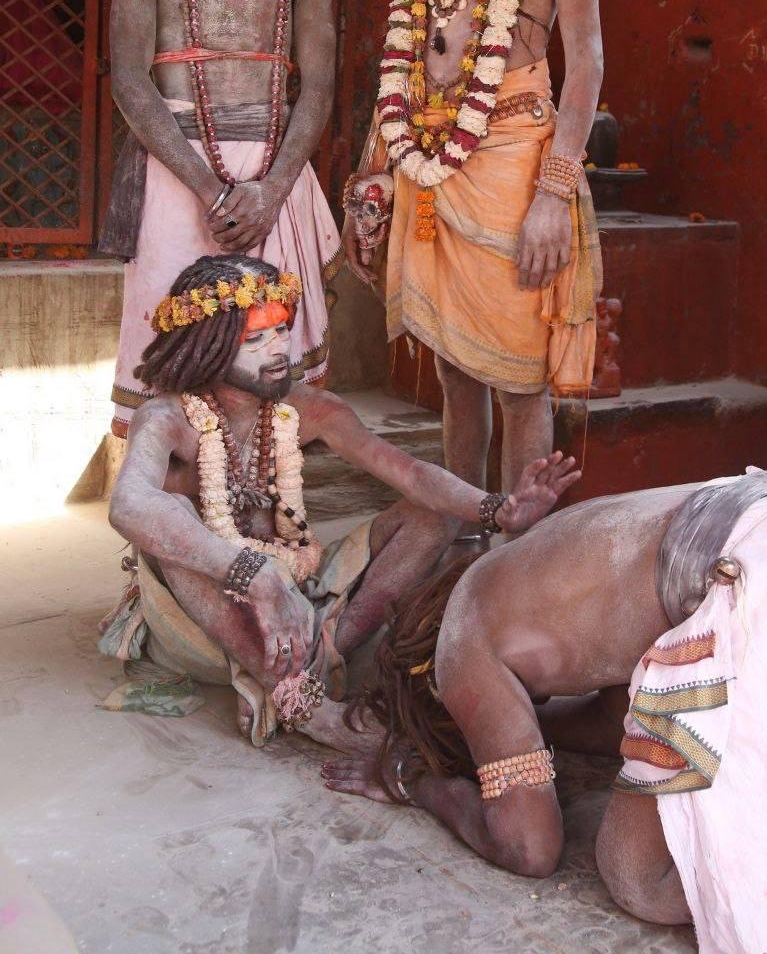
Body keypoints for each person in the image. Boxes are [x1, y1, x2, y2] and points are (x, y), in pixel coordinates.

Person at [324, 472, 767, 953]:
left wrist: (417, 783)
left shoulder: (460, 645)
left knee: (635, 876)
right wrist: (531, 739)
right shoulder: (535, 563)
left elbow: (529, 848)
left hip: (762, 590)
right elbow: (612, 725)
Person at [100, 252, 580, 748]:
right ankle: (298, 700)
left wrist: (496, 508)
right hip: (200, 621)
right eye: (255, 338)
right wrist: (255, 576)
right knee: (167, 517)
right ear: (209, 346)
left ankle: (324, 657)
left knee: (434, 515)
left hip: (296, 603)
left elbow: (411, 474)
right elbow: (128, 505)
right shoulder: (166, 417)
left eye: (281, 331)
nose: (278, 348)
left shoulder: (309, 409)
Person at [344, 0, 603, 530]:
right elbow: (404, 55)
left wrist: (552, 194)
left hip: (515, 157)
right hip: (423, 156)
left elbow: (588, 60)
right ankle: (463, 537)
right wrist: (372, 173)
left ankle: (516, 562)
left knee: (519, 378)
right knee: (455, 375)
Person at [100, 0, 341, 437]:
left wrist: (268, 190)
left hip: (272, 179)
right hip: (180, 176)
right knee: (177, 363)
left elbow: (318, 85)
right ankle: (180, 534)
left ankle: (262, 520)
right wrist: (210, 190)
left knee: (268, 366)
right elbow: (129, 78)